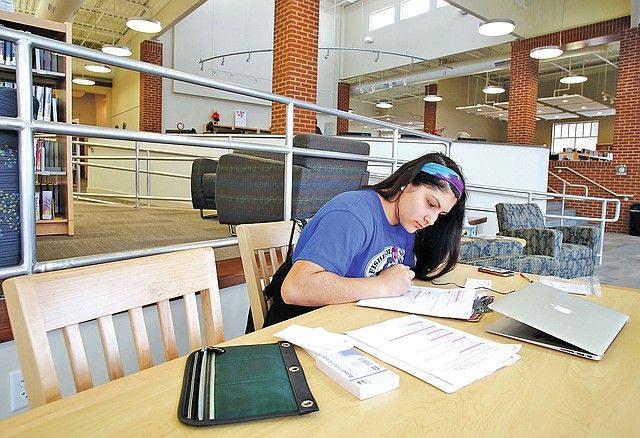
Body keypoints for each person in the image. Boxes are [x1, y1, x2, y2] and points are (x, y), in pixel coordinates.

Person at [263, 152, 467, 326]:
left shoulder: (407, 225)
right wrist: (383, 285)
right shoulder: (352, 214)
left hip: (348, 320)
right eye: (430, 204)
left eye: (440, 215)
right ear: (407, 183)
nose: (431, 220)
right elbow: (295, 288)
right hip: (302, 325)